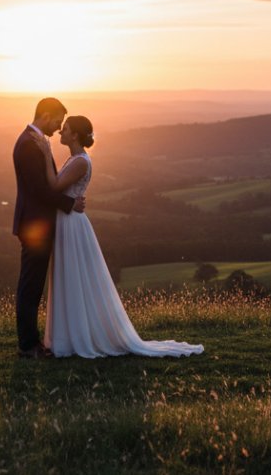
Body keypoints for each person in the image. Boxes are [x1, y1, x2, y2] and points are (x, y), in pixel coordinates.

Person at [33, 115, 203, 359]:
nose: (60, 132)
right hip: (67, 221)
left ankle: (77, 337)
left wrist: (44, 152)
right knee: (68, 276)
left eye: (66, 129)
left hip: (71, 225)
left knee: (73, 274)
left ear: (75, 135)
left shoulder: (80, 162)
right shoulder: (74, 158)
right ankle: (68, 336)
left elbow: (54, 186)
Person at [11, 97, 85, 359]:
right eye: (57, 121)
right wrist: (70, 203)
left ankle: (31, 342)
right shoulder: (29, 145)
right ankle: (28, 345)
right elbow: (40, 190)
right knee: (30, 286)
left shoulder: (34, 142)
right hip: (34, 226)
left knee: (33, 284)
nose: (59, 127)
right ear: (45, 115)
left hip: (36, 224)